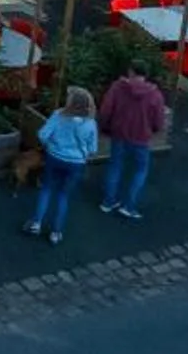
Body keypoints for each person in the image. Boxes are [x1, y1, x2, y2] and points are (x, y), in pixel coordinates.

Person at [28, 85, 99, 243]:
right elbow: (93, 149)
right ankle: (56, 232)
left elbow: (42, 134)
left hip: (54, 158)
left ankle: (36, 223)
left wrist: (50, 144)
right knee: (63, 195)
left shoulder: (58, 115)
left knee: (46, 189)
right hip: (75, 163)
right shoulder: (90, 123)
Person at [98, 66, 169, 220]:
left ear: (130, 72)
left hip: (119, 133)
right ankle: (129, 206)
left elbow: (106, 110)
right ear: (146, 75)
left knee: (115, 166)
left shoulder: (117, 88)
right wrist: (152, 130)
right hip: (141, 137)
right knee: (140, 170)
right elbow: (159, 120)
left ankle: (108, 202)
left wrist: (104, 127)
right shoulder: (155, 95)